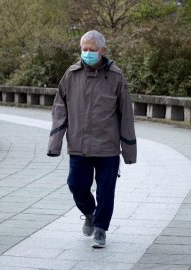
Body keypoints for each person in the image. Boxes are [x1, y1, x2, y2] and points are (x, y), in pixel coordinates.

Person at [47, 30, 137, 248]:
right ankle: (90, 213)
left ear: (103, 51)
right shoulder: (71, 74)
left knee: (106, 191)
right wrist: (55, 142)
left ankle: (100, 230)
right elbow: (60, 108)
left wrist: (129, 150)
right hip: (79, 145)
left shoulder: (116, 76)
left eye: (91, 50)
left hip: (107, 148)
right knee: (76, 185)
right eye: (84, 49)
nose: (87, 53)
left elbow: (126, 113)